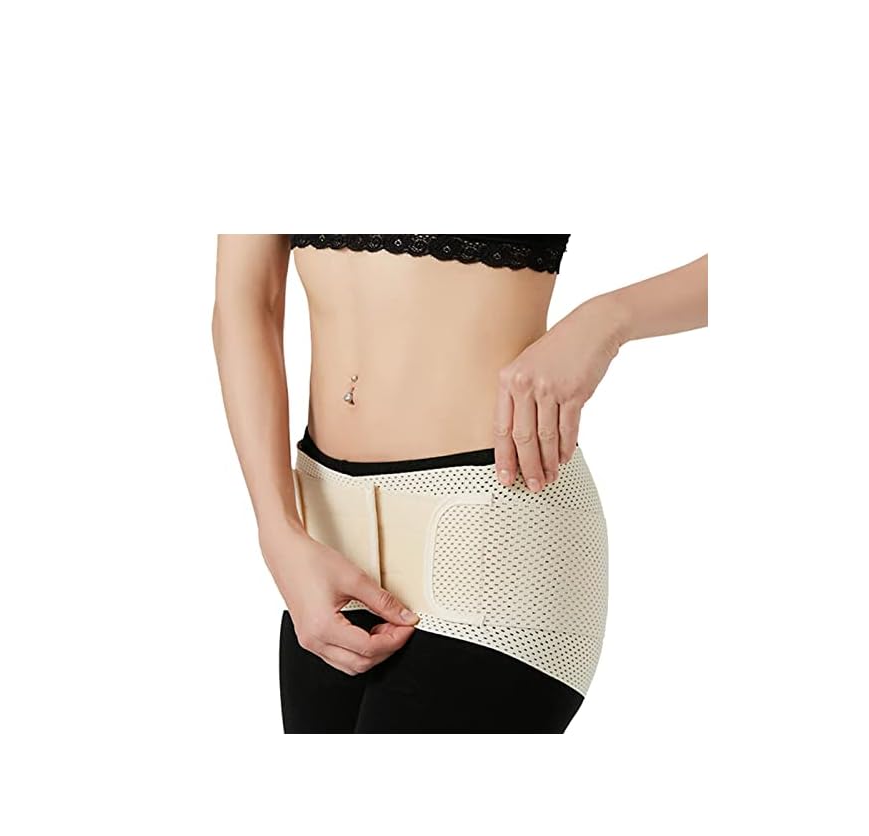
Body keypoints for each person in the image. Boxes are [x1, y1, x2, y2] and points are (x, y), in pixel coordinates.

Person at [212, 235, 707, 733]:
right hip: (324, 549)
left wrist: (607, 320)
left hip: (492, 545)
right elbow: (245, 300)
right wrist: (278, 532)